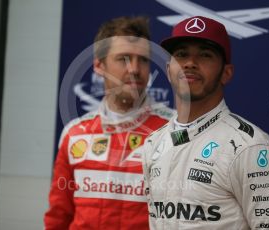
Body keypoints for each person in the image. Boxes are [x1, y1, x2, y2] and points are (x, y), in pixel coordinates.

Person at [141, 16, 269, 229]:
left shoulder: (250, 146)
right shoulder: (153, 143)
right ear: (169, 70)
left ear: (226, 73)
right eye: (181, 54)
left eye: (205, 55)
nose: (190, 63)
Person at [44, 16, 173, 230]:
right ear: (98, 65)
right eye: (123, 58)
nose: (134, 69)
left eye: (143, 59)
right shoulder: (74, 134)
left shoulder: (174, 131)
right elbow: (58, 215)